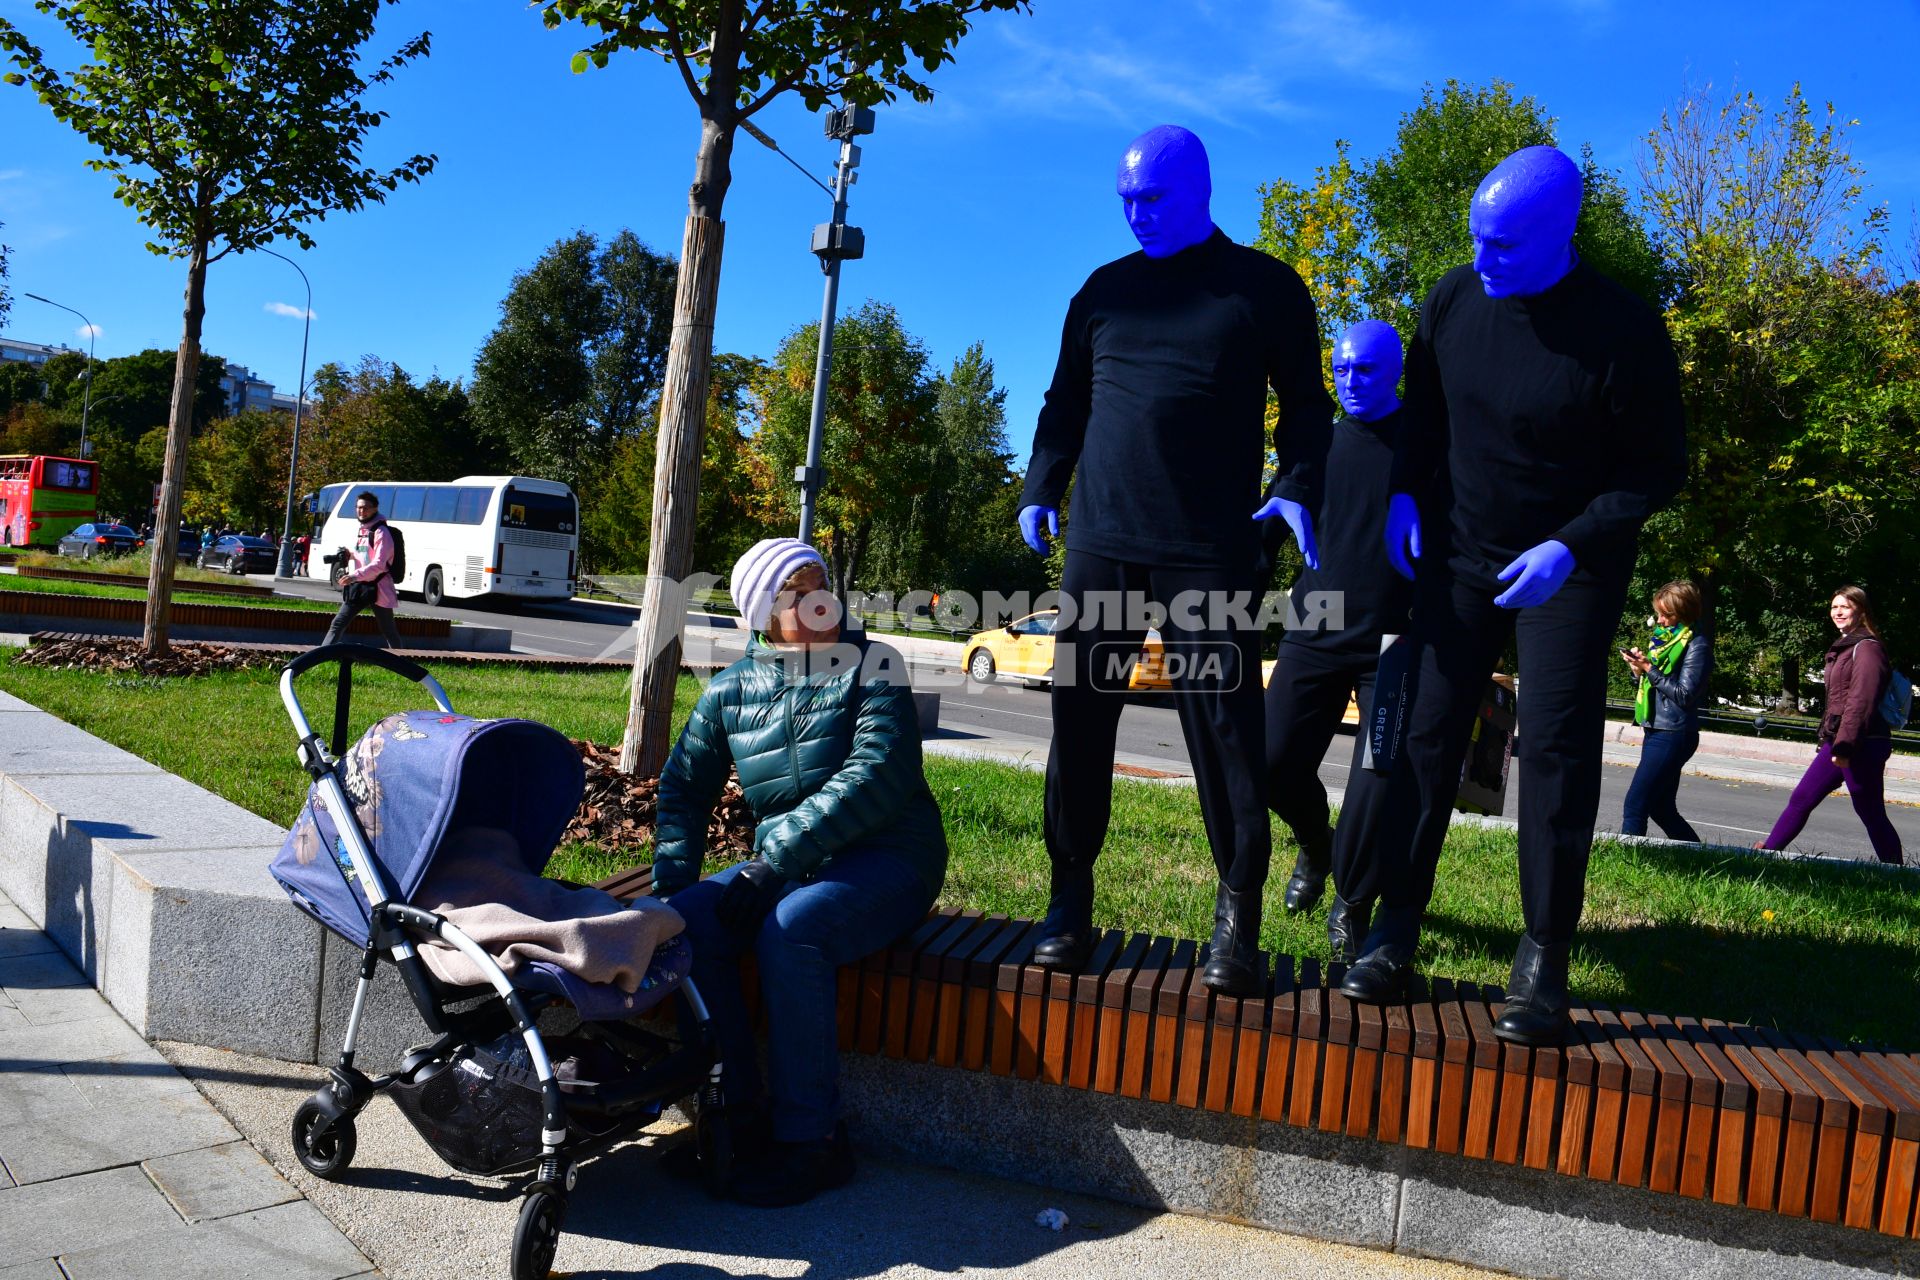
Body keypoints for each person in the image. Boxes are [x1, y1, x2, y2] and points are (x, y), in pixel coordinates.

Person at [1338, 146, 1688, 1046]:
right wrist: (1408, 494)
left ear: (1561, 234)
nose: (1483, 261)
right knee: (1425, 737)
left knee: (1558, 753)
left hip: (1566, 568)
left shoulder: (1625, 331)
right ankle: (1394, 929)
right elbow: (1423, 417)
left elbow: (1658, 470)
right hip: (1459, 554)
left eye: (1502, 247)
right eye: (1476, 241)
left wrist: (1572, 546)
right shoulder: (1454, 299)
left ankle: (1542, 957)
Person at [1017, 124, 1333, 996]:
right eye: (1124, 199)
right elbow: (1064, 402)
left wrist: (1295, 488)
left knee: (1227, 736)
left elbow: (1308, 410)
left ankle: (1238, 911)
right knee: (1079, 723)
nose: (1135, 215)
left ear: (1198, 189)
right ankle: (1068, 898)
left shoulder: (1264, 289)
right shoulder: (1105, 293)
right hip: (1104, 543)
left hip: (1210, 550)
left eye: (1150, 199)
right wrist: (1043, 484)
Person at [656, 537, 947, 1207]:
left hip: (889, 858)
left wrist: (774, 859)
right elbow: (683, 793)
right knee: (687, 928)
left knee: (793, 929)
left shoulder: (875, 664)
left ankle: (813, 1143)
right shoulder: (729, 692)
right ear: (763, 613)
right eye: (795, 590)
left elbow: (879, 772)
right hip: (787, 863)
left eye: (820, 582)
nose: (817, 597)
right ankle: (740, 1120)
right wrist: (674, 895)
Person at [1262, 320, 1414, 962]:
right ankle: (1316, 845)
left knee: (1376, 782)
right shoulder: (1315, 444)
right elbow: (1283, 504)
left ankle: (1352, 903)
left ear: (1398, 369)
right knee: (1269, 765)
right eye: (1343, 368)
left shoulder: (1430, 443)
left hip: (1396, 639)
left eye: (1368, 370)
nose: (1353, 382)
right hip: (1315, 627)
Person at [1758, 586, 1905, 864]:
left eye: (1845, 607)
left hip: (1860, 743)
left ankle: (1898, 874)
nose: (1837, 612)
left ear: (1860, 611)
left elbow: (1861, 701)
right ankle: (1766, 855)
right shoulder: (1848, 645)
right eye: (1834, 607)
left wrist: (1846, 745)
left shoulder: (1868, 649)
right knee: (1802, 798)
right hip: (1840, 740)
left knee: (1870, 811)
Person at [1619, 580, 1710, 842]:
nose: (1660, 620)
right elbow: (1654, 688)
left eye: (1667, 615)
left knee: (1635, 804)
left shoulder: (1698, 645)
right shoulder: (1666, 642)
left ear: (1685, 613)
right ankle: (1697, 858)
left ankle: (1630, 861)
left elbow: (1684, 694)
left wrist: (1650, 669)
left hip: (1674, 733)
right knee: (1662, 808)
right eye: (1658, 613)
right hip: (1658, 728)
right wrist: (1638, 670)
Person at [321, 491, 403, 648]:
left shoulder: (381, 532)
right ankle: (319, 658)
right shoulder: (363, 529)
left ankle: (403, 665)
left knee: (389, 630)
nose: (361, 511)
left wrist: (353, 576)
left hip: (378, 587)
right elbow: (363, 555)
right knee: (338, 623)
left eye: (365, 508)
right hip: (360, 585)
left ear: (375, 508)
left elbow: (379, 564)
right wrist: (349, 555)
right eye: (358, 507)